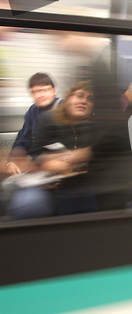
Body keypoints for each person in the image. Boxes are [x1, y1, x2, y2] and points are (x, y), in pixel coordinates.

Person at [5, 81, 96, 220]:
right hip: (44, 181)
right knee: (30, 205)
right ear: (69, 97)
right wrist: (48, 168)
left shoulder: (94, 127)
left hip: (78, 184)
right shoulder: (48, 119)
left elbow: (94, 160)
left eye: (90, 99)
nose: (84, 101)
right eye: (79, 96)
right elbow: (35, 153)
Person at [5, 73, 62, 176]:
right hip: (36, 168)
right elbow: (23, 139)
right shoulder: (33, 111)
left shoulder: (64, 109)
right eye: (34, 92)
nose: (39, 95)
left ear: (54, 91)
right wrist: (12, 161)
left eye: (44, 90)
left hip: (58, 168)